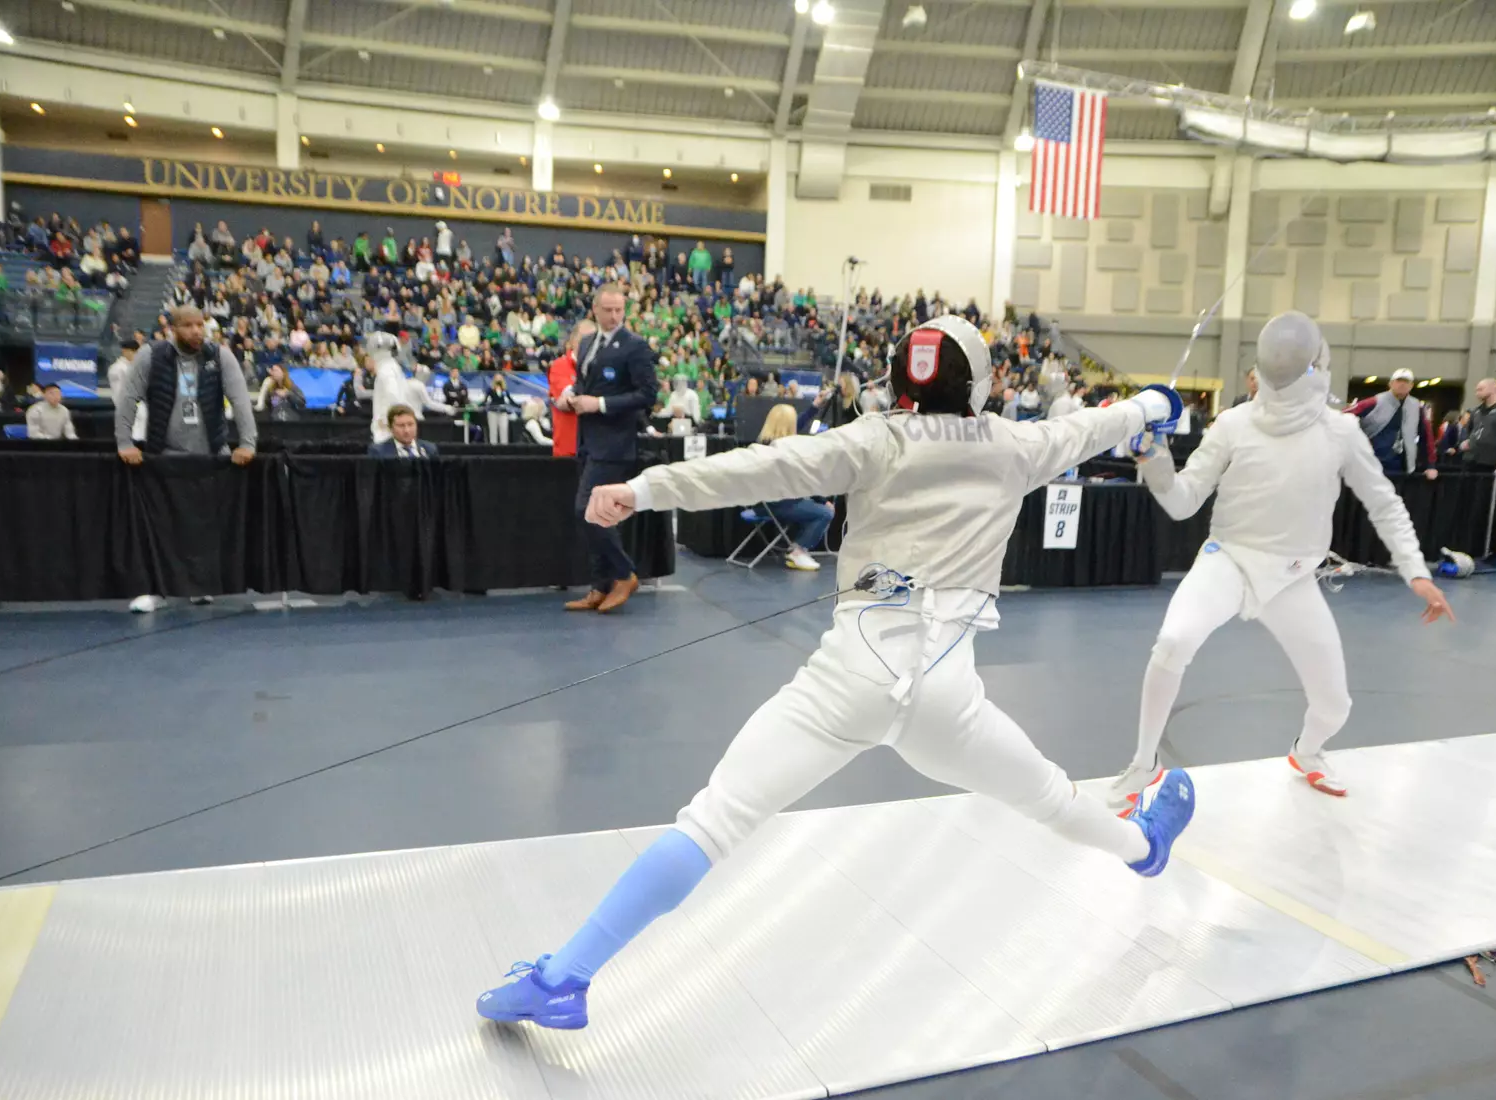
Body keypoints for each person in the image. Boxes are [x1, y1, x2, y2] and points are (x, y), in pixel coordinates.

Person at [476, 315, 1197, 1030]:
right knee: (1049, 796)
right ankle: (1143, 848)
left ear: (899, 378)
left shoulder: (873, 440)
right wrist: (1156, 406)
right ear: (977, 383)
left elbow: (759, 467)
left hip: (846, 681)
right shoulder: (1018, 444)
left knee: (713, 822)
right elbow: (1111, 421)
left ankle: (564, 977)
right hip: (947, 701)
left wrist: (642, 490)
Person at [1107, 313, 1452, 810]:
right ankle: (1143, 765)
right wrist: (1157, 461)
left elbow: (1384, 502)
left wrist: (1416, 571)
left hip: (1292, 578)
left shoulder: (1341, 432)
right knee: (1174, 641)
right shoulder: (1233, 424)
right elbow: (1183, 503)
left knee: (1335, 705)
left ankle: (1307, 752)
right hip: (1228, 560)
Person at [556, 286, 656, 613]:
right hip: (587, 440)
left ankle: (625, 574)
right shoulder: (586, 343)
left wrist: (598, 404)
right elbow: (586, 384)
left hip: (616, 443)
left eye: (619, 311)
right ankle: (599, 586)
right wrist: (572, 396)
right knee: (596, 513)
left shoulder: (635, 346)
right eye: (608, 310)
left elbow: (647, 395)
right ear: (595, 309)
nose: (614, 317)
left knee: (585, 509)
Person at [114, 305, 257, 466]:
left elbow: (241, 402)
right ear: (173, 329)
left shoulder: (220, 356)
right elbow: (128, 398)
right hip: (163, 459)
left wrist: (247, 444)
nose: (196, 331)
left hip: (213, 457)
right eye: (188, 325)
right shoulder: (150, 355)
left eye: (200, 324)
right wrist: (125, 443)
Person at [755, 403, 834, 570]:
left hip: (761, 504)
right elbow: (804, 481)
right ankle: (798, 551)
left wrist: (814, 406)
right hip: (779, 505)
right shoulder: (786, 452)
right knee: (825, 513)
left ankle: (798, 548)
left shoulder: (763, 443)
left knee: (814, 507)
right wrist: (822, 500)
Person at [1344, 368, 1437, 480]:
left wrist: (1431, 465)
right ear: (1390, 383)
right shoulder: (1374, 402)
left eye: (1406, 382)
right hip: (1372, 465)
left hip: (1403, 468)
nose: (1402, 384)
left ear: (1411, 385)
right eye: (1398, 381)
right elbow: (1342, 417)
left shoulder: (1417, 407)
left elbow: (1427, 437)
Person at [547, 321, 591, 459]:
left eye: (593, 340)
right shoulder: (559, 366)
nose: (588, 344)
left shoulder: (600, 367)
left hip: (596, 450)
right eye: (584, 339)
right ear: (572, 341)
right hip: (568, 449)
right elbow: (567, 399)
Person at [368, 405, 438, 459]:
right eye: (401, 426)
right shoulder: (379, 451)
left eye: (410, 424)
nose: (407, 430)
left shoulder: (430, 449)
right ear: (391, 428)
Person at [483, 374, 516, 445]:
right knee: (493, 431)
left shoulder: (505, 390)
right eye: (497, 378)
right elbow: (485, 401)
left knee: (504, 430)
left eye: (500, 378)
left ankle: (504, 448)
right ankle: (493, 448)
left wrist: (520, 405)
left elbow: (511, 400)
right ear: (494, 379)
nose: (498, 379)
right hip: (492, 412)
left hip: (503, 412)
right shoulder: (490, 389)